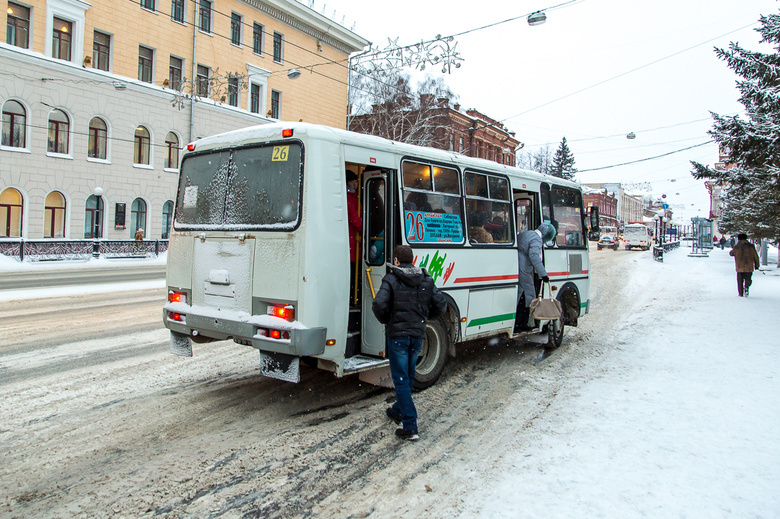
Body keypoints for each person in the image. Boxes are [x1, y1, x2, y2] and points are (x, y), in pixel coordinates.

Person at [372, 245, 447, 441]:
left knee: (401, 379)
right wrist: (423, 318)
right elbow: (441, 306)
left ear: (396, 260)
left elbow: (378, 304)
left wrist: (387, 320)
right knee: (409, 376)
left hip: (398, 337)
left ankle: (410, 425)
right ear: (412, 260)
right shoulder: (426, 279)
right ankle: (398, 410)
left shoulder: (391, 279)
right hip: (416, 335)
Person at [516, 223, 554, 331]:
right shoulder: (537, 239)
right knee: (530, 294)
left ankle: (517, 321)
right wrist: (544, 275)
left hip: (517, 264)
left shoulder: (527, 233)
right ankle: (524, 323)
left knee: (519, 292)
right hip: (524, 268)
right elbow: (534, 256)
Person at [346, 170, 362, 304]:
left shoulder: (354, 196)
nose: (356, 184)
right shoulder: (349, 196)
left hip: (353, 239)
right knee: (353, 274)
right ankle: (353, 299)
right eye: (354, 182)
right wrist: (364, 228)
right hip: (352, 239)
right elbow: (353, 218)